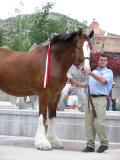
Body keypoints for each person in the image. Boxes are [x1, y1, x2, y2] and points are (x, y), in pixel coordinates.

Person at [68, 54, 113, 153]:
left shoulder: (108, 72)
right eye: (101, 60)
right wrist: (74, 82)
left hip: (100, 98)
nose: (102, 61)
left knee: (99, 122)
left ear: (107, 62)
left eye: (104, 60)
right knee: (89, 123)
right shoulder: (94, 72)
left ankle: (104, 143)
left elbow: (102, 80)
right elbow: (86, 85)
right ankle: (90, 145)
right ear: (98, 61)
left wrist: (91, 73)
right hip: (89, 98)